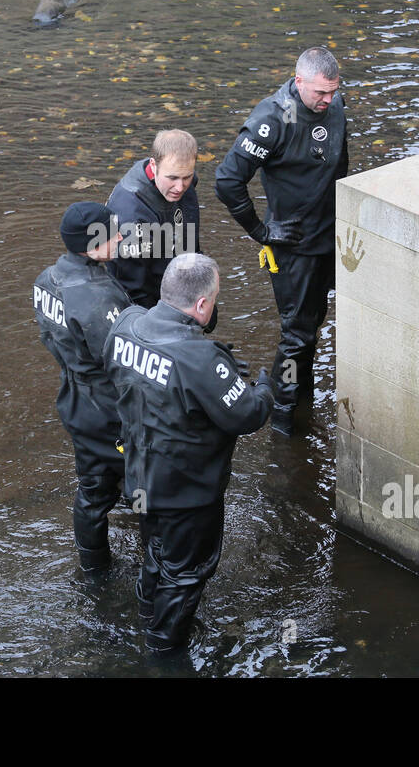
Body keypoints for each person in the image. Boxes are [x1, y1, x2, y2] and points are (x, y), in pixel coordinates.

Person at [104, 253, 274, 654]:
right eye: (213, 299)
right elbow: (247, 415)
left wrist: (216, 371)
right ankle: (164, 650)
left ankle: (149, 613)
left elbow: (121, 374)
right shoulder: (199, 358)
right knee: (186, 573)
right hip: (187, 492)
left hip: (139, 477)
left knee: (156, 552)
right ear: (201, 305)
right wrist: (264, 388)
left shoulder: (126, 323)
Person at [214, 46, 350, 436]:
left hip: (329, 235)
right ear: (299, 81)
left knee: (312, 326)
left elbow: (340, 162)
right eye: (320, 93)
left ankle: (302, 403)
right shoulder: (273, 119)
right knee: (297, 333)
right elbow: (227, 181)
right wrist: (261, 231)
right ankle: (283, 423)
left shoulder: (335, 104)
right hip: (292, 245)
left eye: (333, 92)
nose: (328, 100)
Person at [33, 202, 133, 573]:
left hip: (73, 396)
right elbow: (123, 360)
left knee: (93, 486)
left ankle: (93, 567)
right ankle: (136, 569)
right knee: (131, 483)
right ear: (91, 244)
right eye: (113, 234)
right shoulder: (95, 294)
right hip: (107, 406)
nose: (121, 237)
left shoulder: (48, 277)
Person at [106, 129, 202, 311]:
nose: (180, 187)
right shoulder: (130, 212)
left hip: (176, 264)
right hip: (141, 295)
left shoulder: (178, 179)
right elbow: (134, 288)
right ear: (154, 165)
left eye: (187, 177)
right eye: (172, 178)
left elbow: (190, 245)